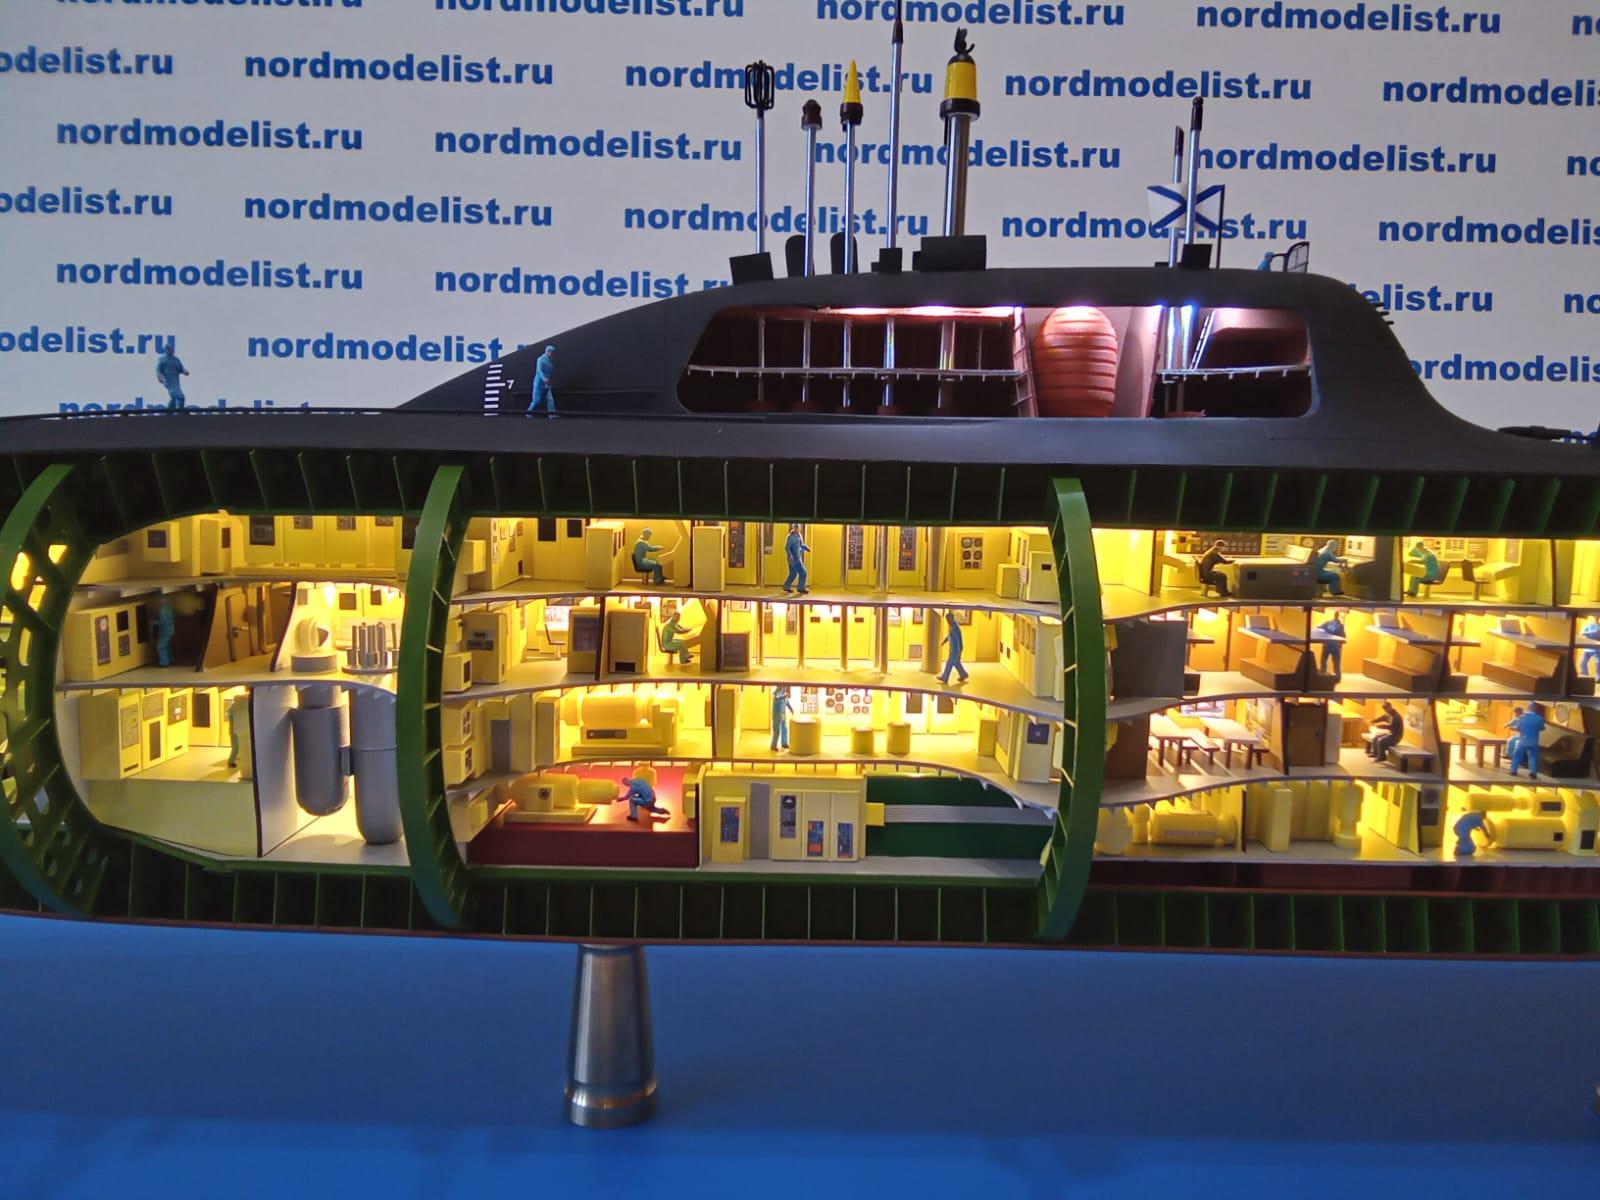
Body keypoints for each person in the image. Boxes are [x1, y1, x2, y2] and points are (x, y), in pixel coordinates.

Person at [1506, 704, 1546, 777]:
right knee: (1532, 757)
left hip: (1523, 741)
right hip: (1534, 742)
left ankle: (1513, 771)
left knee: (1517, 756)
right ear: (1535, 709)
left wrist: (1511, 728)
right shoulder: (1539, 718)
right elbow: (1542, 728)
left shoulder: (1522, 717)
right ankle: (1533, 773)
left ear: (1528, 708)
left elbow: (1518, 728)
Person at [939, 609, 969, 685]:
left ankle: (944, 677)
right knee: (956, 663)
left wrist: (959, 652)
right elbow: (949, 636)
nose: (947, 621)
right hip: (952, 649)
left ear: (952, 618)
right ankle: (963, 674)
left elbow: (958, 640)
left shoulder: (955, 627)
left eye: (948, 619)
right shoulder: (951, 626)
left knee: (949, 664)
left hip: (955, 650)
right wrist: (944, 641)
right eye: (947, 619)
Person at [155, 341, 188, 409]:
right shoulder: (162, 359)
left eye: (171, 349)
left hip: (175, 380)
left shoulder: (176, 359)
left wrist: (184, 371)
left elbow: (180, 368)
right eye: (168, 349)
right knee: (180, 396)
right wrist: (159, 377)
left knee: (173, 398)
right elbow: (158, 370)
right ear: (166, 350)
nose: (170, 351)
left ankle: (168, 412)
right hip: (168, 380)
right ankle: (180, 411)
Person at [526, 345, 556, 416]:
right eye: (551, 352)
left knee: (550, 399)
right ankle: (529, 413)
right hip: (539, 383)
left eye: (552, 352)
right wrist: (543, 378)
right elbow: (538, 370)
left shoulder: (550, 360)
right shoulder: (540, 359)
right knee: (536, 400)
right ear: (547, 351)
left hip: (547, 384)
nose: (552, 354)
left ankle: (552, 414)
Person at [1315, 610, 1346, 679]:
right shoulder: (1340, 625)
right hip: (1334, 646)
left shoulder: (1328, 623)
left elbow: (1319, 627)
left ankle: (1323, 674)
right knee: (1336, 662)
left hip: (1328, 644)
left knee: (1324, 661)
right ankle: (1337, 677)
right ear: (1338, 616)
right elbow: (1343, 636)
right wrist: (1340, 644)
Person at [782, 524, 810, 594]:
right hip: (794, 559)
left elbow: (800, 545)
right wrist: (790, 556)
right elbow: (787, 547)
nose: (797, 529)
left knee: (793, 573)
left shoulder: (799, 536)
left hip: (797, 557)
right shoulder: (791, 537)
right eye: (796, 527)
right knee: (803, 573)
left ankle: (786, 586)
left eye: (798, 527)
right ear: (793, 528)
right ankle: (801, 588)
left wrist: (806, 548)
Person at [154, 597, 176, 667]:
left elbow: (163, 622)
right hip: (170, 630)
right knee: (167, 646)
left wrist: (154, 623)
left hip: (165, 631)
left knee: (160, 647)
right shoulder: (169, 608)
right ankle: (170, 659)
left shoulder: (162, 610)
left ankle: (164, 663)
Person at [770, 687, 792, 751]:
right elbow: (776, 697)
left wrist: (791, 709)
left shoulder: (783, 693)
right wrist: (784, 696)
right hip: (777, 715)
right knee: (776, 731)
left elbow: (787, 702)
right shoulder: (775, 693)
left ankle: (784, 743)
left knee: (784, 729)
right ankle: (773, 746)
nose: (783, 687)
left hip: (783, 714)